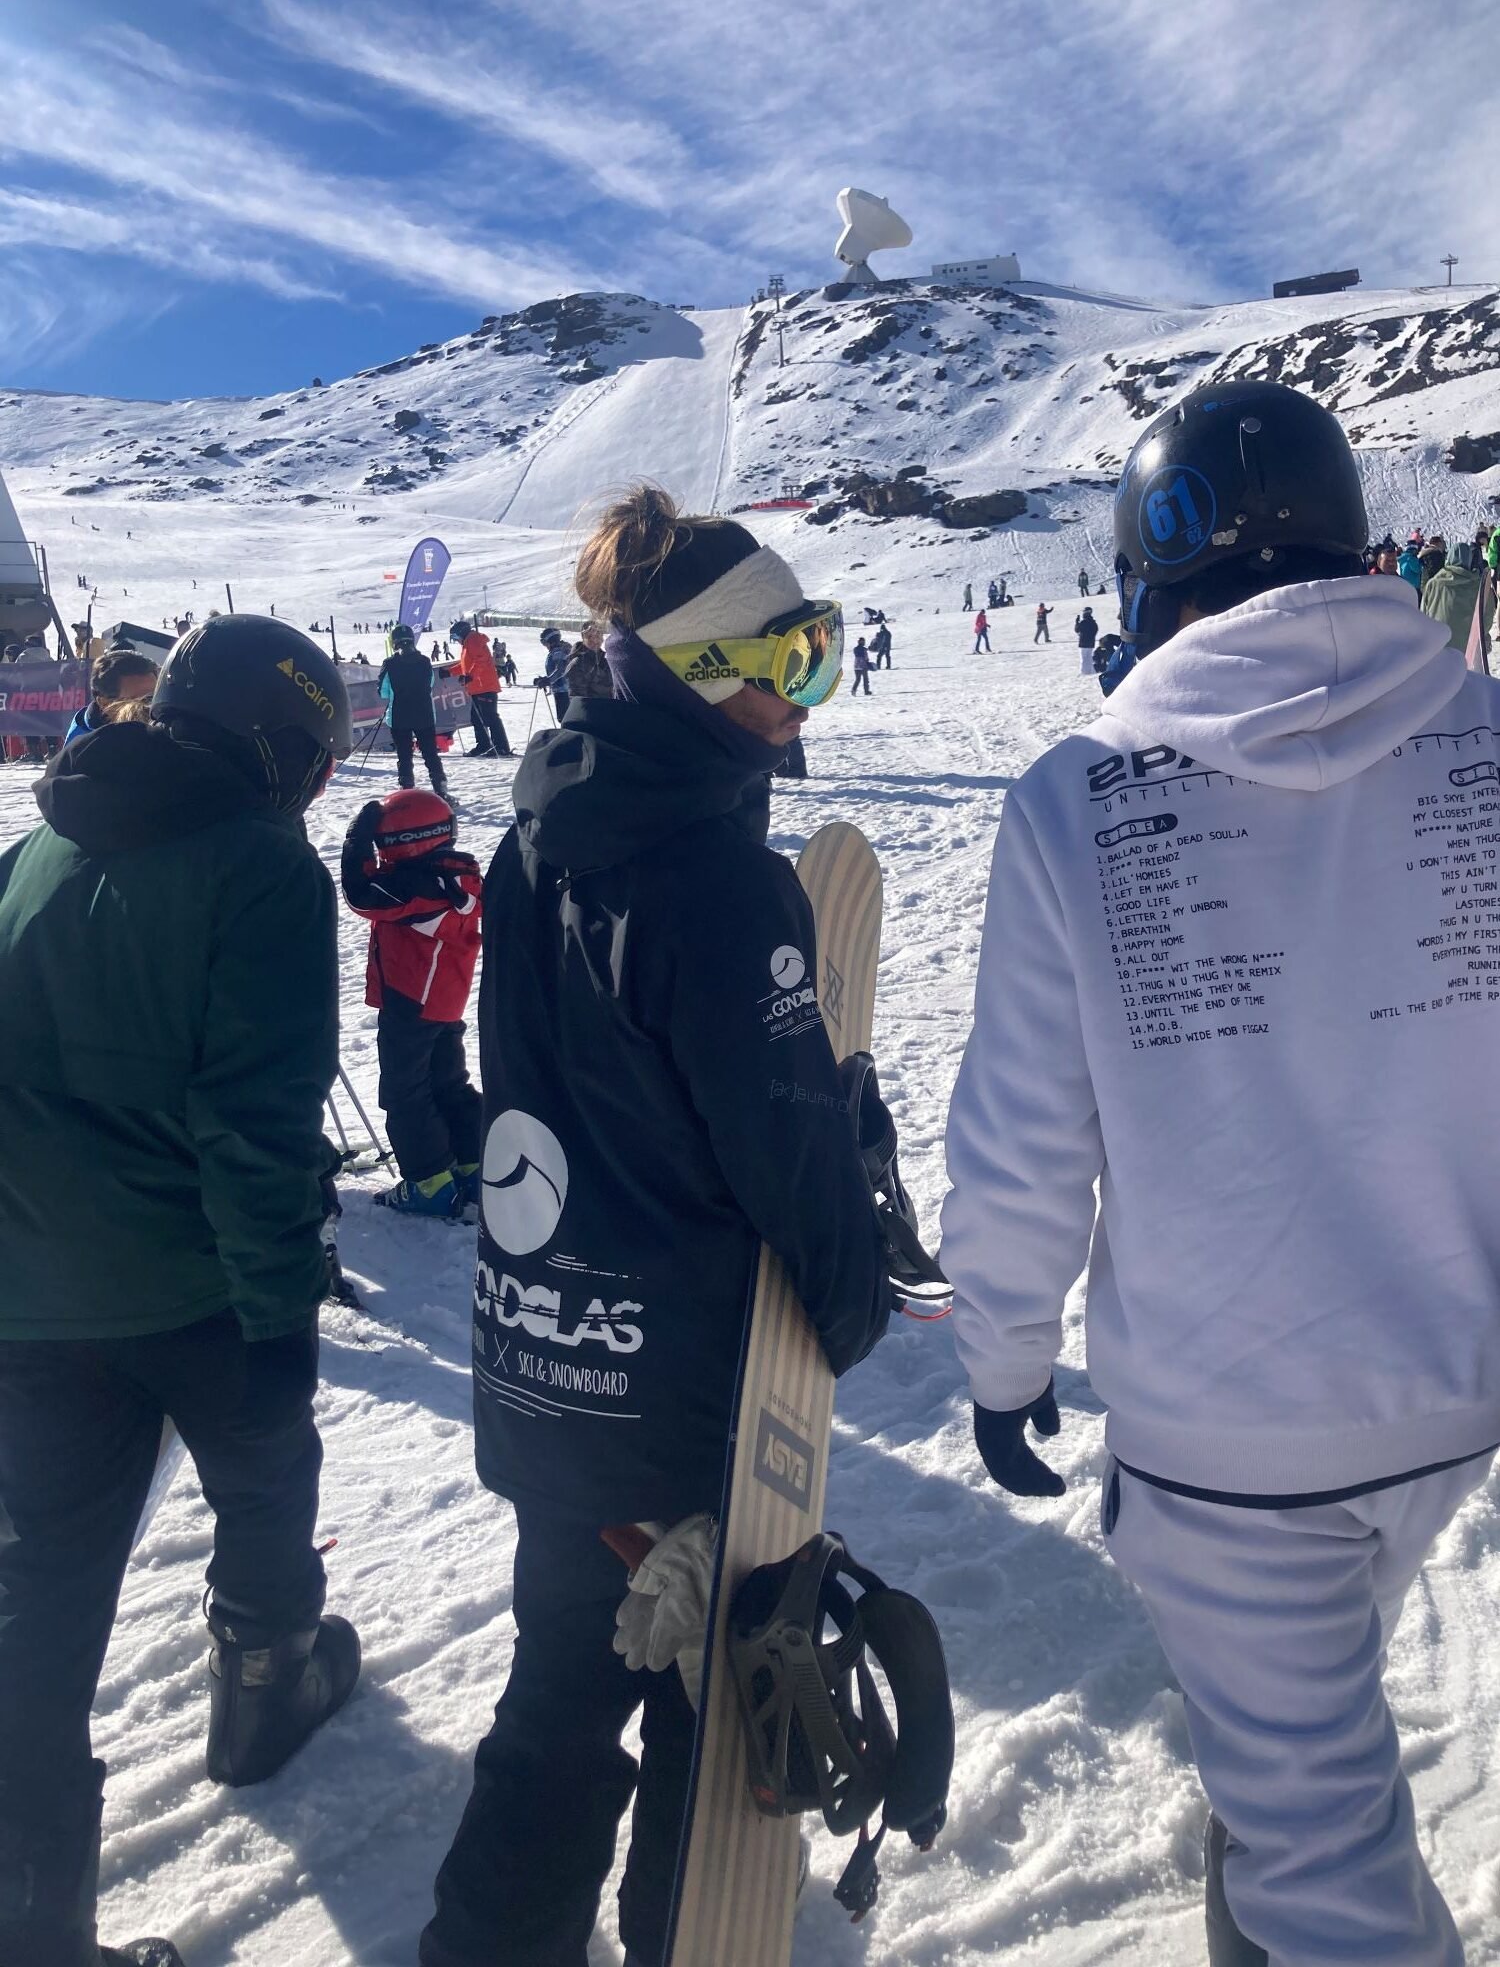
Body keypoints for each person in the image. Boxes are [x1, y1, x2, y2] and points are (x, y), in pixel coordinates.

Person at [943, 379, 1500, 1967]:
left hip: (1229, 1432)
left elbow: (1023, 1137)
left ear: (1151, 570)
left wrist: (1003, 1357)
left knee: (1324, 1861)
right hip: (1456, 1381)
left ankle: (1281, 1874)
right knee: (1303, 1760)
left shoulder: (1078, 799)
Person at [421, 487, 891, 1967]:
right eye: (791, 660)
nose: (808, 696)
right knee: (708, 1718)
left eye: (824, 653)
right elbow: (784, 1148)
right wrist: (853, 1299)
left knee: (558, 1701)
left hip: (546, 1364)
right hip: (693, 1400)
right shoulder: (722, 885)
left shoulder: (538, 836)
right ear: (703, 672)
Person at [0, 616, 361, 1967]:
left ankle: (30, 1924)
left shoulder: (32, 850)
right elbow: (256, 1123)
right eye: (316, 763)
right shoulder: (260, 867)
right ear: (278, 748)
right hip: (197, 1282)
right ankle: (263, 1687)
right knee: (266, 1471)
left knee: (41, 1588)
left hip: (34, 1292)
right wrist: (281, 1317)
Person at [341, 790, 484, 1219]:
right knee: (447, 1083)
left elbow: (361, 894)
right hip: (442, 1001)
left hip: (412, 1002)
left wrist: (355, 842)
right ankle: (472, 1164)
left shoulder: (418, 887)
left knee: (405, 1092)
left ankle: (430, 1183)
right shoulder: (449, 876)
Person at [378, 624, 447, 795]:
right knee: (430, 754)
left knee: (404, 755)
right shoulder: (425, 661)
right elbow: (430, 684)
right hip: (424, 714)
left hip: (399, 716)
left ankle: (407, 789)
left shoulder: (390, 664)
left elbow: (383, 692)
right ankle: (441, 790)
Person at [62, 649, 160, 745]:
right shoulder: (85, 747)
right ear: (105, 703)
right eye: (140, 702)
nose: (150, 707)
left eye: (154, 697)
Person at [452, 619, 512, 758]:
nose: (455, 640)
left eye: (455, 636)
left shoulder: (473, 641)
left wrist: (470, 676)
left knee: (490, 717)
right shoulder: (468, 643)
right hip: (478, 687)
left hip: (485, 686)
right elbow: (466, 665)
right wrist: (449, 671)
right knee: (477, 719)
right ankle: (484, 745)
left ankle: (501, 747)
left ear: (461, 632)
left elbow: (481, 661)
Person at [1420, 538, 1492, 652]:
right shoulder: (1479, 586)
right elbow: (1487, 618)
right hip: (1469, 649)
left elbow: (1423, 615)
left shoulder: (1433, 584)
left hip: (1438, 647)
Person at [563, 621, 614, 702]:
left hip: (610, 706)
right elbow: (578, 698)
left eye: (598, 635)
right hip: (591, 707)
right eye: (589, 636)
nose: (594, 640)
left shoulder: (607, 659)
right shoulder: (578, 663)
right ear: (583, 638)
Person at [534, 627, 571, 722]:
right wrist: (545, 679)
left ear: (551, 641)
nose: (545, 646)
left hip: (564, 691)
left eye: (544, 642)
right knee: (564, 718)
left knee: (564, 719)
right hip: (562, 690)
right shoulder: (558, 651)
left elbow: (561, 670)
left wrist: (548, 680)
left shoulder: (558, 651)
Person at [1074, 603, 1098, 674]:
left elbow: (1077, 630)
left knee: (1084, 659)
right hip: (1091, 643)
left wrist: (1077, 622)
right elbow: (1095, 631)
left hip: (1083, 643)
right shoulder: (1093, 622)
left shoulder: (1083, 622)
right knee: (1089, 658)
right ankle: (1091, 671)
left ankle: (1083, 672)